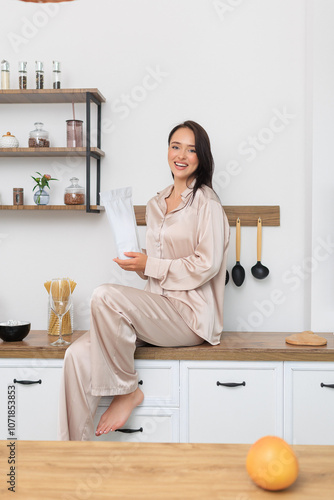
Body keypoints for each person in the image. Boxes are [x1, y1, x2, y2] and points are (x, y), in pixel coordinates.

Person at [58, 120, 230, 441]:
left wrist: (151, 263)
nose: (181, 155)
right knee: (76, 356)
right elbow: (157, 266)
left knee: (104, 295)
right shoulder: (155, 204)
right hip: (156, 311)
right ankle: (71, 453)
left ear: (201, 157)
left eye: (191, 149)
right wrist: (138, 265)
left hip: (190, 317)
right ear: (168, 150)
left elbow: (206, 265)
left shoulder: (208, 204)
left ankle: (127, 391)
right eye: (175, 146)